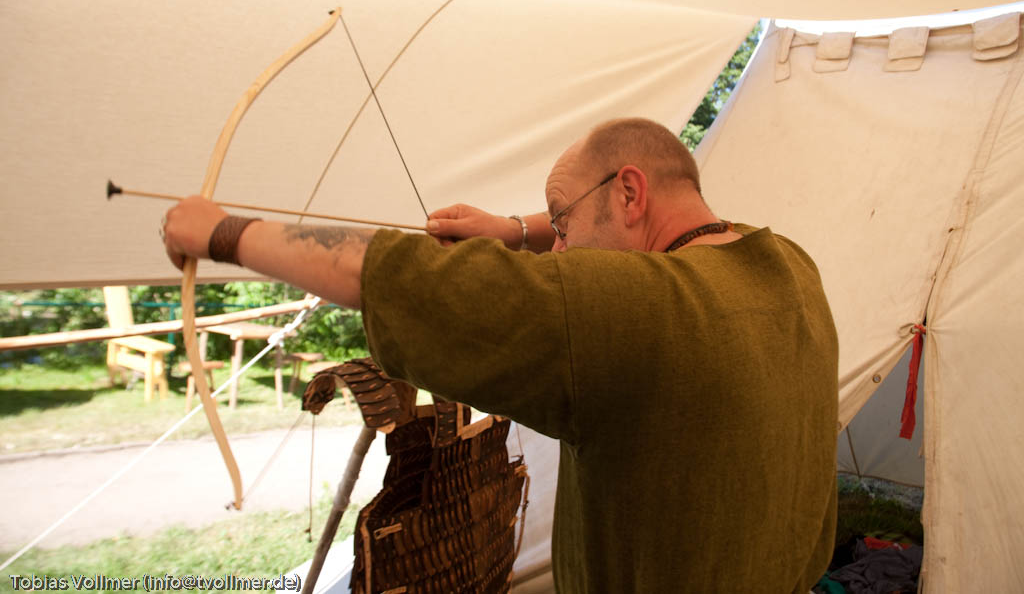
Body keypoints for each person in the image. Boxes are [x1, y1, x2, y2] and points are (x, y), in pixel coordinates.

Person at [163, 117, 838, 593]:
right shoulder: (783, 261)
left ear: (631, 192)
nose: (559, 248)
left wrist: (222, 233)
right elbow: (636, 223)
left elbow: (396, 274)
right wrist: (516, 230)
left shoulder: (637, 309)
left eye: (563, 223)